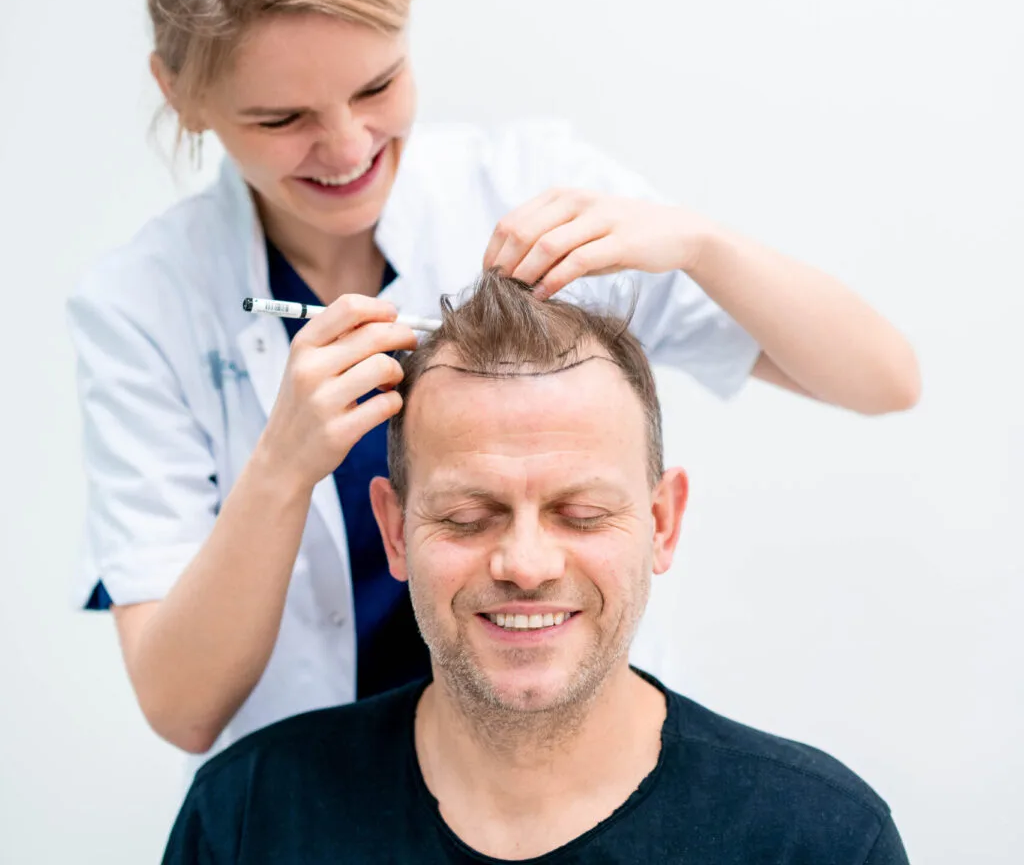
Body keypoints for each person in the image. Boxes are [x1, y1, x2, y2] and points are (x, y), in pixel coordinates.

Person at [68, 0, 921, 774]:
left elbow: (884, 381)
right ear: (179, 95)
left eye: (378, 85)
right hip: (318, 803)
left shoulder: (530, 188)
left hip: (573, 773)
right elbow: (182, 708)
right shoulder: (143, 306)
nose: (348, 144)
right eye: (283, 120)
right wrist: (281, 467)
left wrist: (701, 245)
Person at [161, 271, 910, 865]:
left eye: (581, 514)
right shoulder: (249, 817)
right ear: (393, 531)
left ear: (662, 522)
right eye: (466, 517)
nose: (524, 564)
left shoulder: (818, 840)